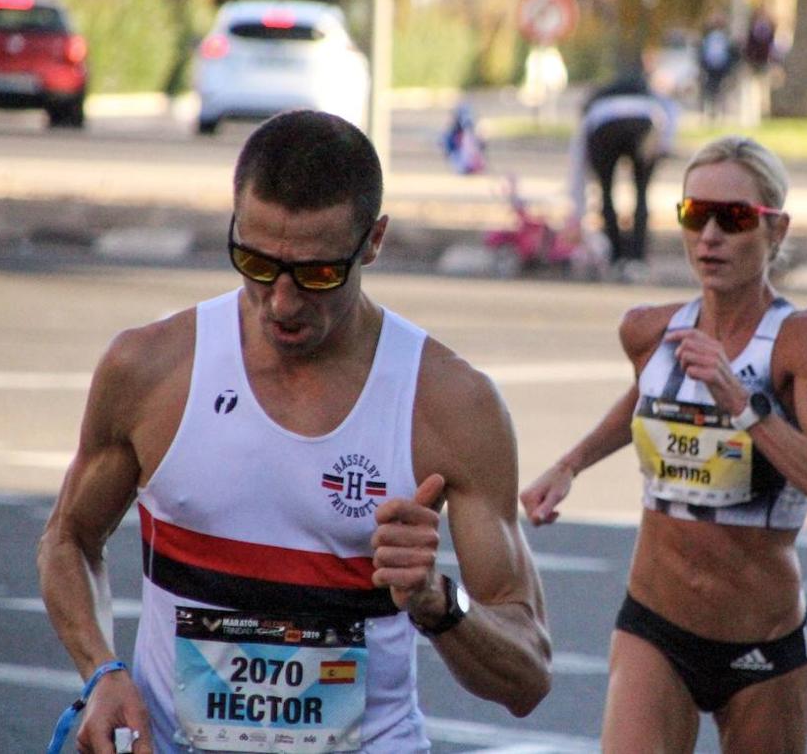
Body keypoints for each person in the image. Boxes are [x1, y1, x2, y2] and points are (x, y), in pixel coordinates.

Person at [38, 110, 552, 754]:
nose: (280, 301)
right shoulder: (150, 368)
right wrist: (102, 673)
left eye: (316, 274)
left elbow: (527, 676)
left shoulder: (449, 402)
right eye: (254, 262)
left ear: (374, 240)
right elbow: (68, 538)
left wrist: (439, 602)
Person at [523, 135, 807, 752]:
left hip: (763, 640)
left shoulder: (800, 341)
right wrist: (570, 465)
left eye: (732, 219)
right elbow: (647, 402)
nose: (710, 237)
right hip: (656, 623)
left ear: (774, 229)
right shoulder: (649, 329)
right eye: (694, 215)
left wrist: (743, 403)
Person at [566, 73, 678, 272]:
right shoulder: (648, 97)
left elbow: (578, 161)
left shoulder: (596, 106)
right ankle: (638, 258)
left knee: (606, 193)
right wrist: (662, 148)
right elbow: (670, 113)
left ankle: (615, 256)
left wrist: (577, 207)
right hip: (645, 123)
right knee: (642, 193)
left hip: (604, 128)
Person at [698, 15, 738, 120]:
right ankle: (710, 112)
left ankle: (720, 113)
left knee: (720, 90)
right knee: (710, 90)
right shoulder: (709, 37)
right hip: (711, 67)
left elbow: (731, 53)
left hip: (720, 67)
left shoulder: (724, 38)